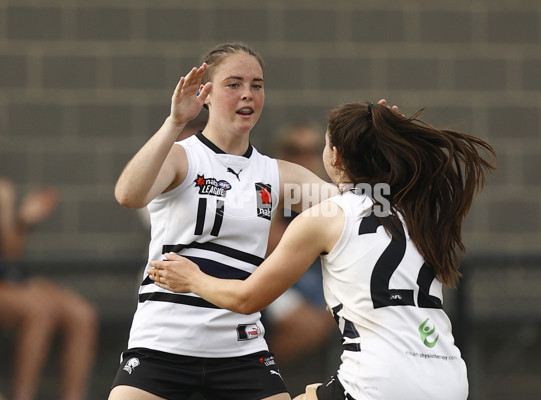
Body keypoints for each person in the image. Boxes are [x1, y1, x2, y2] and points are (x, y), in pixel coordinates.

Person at [147, 101, 497, 399]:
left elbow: (246, 299)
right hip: (450, 378)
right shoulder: (416, 210)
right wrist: (392, 132)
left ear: (335, 156)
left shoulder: (324, 217)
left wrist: (193, 279)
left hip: (379, 380)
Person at [109, 42, 360, 400]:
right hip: (163, 345)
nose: (248, 94)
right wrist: (175, 121)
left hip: (240, 351)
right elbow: (128, 195)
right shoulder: (182, 157)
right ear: (206, 94)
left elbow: (361, 203)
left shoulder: (275, 173)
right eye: (234, 84)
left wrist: (383, 140)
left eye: (256, 85)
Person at [0, 178, 98, 400]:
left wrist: (24, 221)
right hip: (8, 287)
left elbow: (11, 255)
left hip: (12, 280)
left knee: (82, 314)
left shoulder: (3, 190)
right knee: (40, 310)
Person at [263, 122, 338, 370]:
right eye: (296, 150)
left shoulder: (329, 190)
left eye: (311, 150)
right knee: (302, 325)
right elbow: (267, 245)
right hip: (275, 280)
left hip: (320, 282)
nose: (304, 157)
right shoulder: (272, 185)